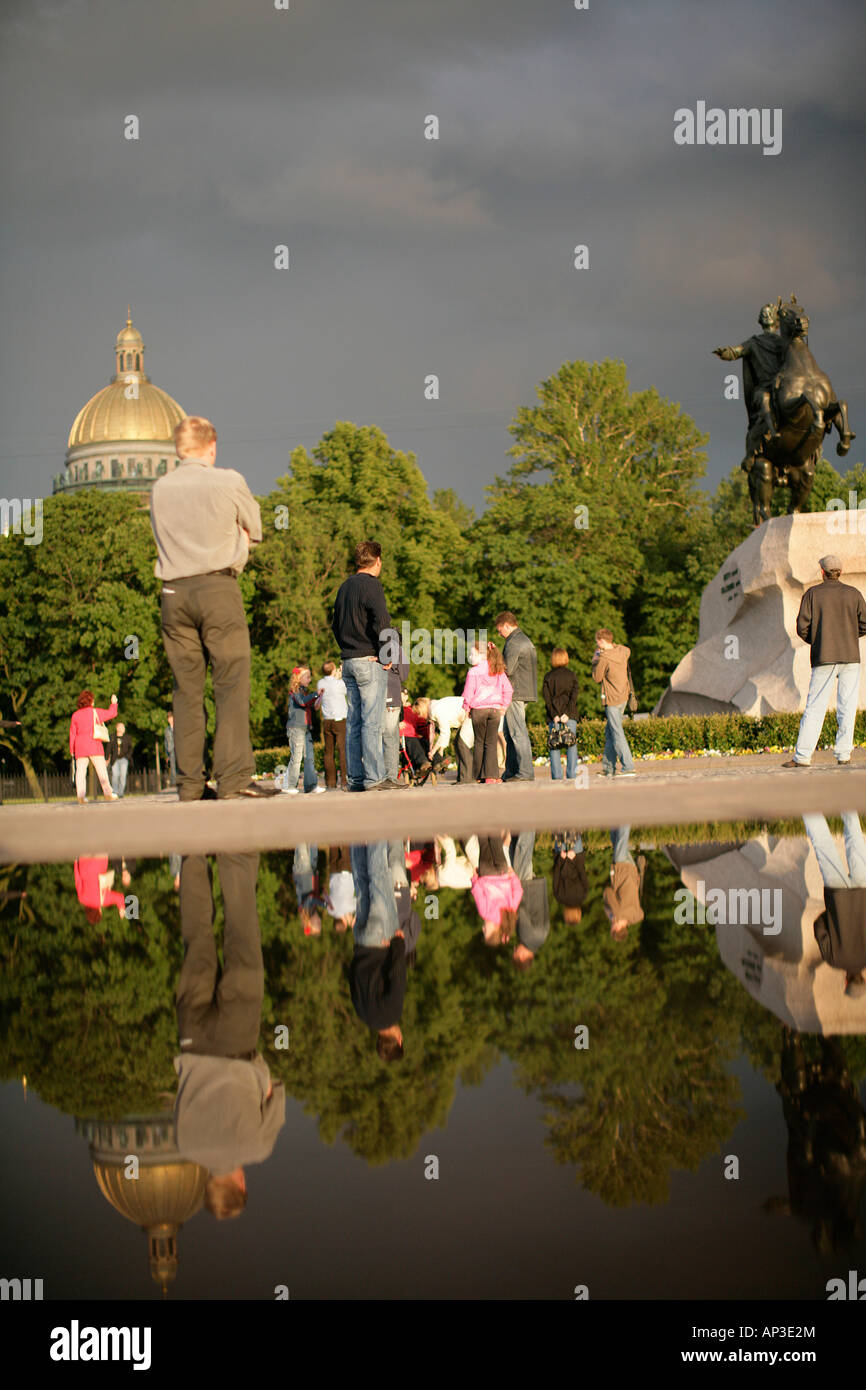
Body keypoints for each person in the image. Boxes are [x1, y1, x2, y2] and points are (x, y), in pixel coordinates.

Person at [150, 415, 275, 800]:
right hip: (219, 589)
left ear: (178, 448)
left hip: (173, 593)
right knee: (230, 683)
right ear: (212, 446)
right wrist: (237, 548)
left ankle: (189, 783)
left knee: (186, 690)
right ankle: (234, 778)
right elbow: (255, 530)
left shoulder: (159, 488)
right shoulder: (229, 481)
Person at [174, 852, 285, 1219]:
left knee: (241, 932)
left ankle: (234, 851)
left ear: (240, 1185)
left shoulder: (256, 1148)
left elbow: (277, 1092)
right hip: (192, 1039)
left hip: (238, 1041)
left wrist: (258, 1075)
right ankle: (191, 853)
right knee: (197, 937)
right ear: (208, 1184)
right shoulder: (185, 1144)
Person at [331, 540, 402, 792]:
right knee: (372, 722)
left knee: (354, 723)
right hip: (369, 661)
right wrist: (386, 655)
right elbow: (382, 620)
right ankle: (375, 779)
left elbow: (335, 624)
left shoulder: (344, 587)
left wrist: (347, 651)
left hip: (348, 660)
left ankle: (356, 779)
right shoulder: (372, 585)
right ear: (378, 561)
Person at [783, 555, 866, 769]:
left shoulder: (812, 594)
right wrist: (848, 636)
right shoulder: (854, 594)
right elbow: (865, 624)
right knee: (847, 707)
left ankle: (802, 757)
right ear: (840, 571)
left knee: (815, 707)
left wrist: (818, 640)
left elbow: (802, 627)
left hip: (824, 657)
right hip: (850, 656)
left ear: (822, 572)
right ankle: (844, 754)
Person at [349, 840, 421, 1061]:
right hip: (361, 942)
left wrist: (398, 944)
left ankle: (375, 829)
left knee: (379, 878)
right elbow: (352, 978)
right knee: (361, 884)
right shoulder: (363, 1015)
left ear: (399, 1039)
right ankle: (356, 837)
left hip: (382, 941)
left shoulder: (392, 1014)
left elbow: (397, 976)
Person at [803, 812, 866, 997]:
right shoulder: (834, 960)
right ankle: (808, 804)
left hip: (863, 890)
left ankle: (846, 798)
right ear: (846, 981)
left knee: (855, 841)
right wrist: (832, 915)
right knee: (823, 845)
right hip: (837, 896)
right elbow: (819, 928)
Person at [461, 640, 513, 783]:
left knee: (479, 742)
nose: (471, 656)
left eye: (473, 653)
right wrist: (504, 706)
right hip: (495, 710)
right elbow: (508, 690)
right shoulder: (498, 669)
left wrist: (467, 708)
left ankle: (479, 775)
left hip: (479, 710)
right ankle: (492, 775)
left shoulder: (473, 671)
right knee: (490, 742)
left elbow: (468, 693)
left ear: (481, 654)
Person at [494, 612, 537, 781]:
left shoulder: (514, 642)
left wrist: (495, 658)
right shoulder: (523, 639)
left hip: (515, 691)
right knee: (510, 732)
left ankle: (524, 772)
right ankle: (511, 771)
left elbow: (508, 669)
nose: (499, 634)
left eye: (499, 630)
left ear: (506, 625)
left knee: (517, 732)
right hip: (523, 690)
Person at [592, 629, 636, 778]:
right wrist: (611, 645)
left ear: (602, 641)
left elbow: (597, 678)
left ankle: (628, 766)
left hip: (611, 699)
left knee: (617, 733)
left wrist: (595, 660)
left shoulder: (604, 658)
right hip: (623, 697)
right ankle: (608, 768)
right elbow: (626, 648)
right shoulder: (622, 652)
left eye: (598, 642)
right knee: (610, 732)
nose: (597, 645)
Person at [470, 833, 523, 946]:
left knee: (496, 843)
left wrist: (513, 876)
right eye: (486, 931)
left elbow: (518, 892)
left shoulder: (509, 913)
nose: (483, 928)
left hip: (502, 872)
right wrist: (474, 879)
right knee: (484, 844)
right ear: (494, 929)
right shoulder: (485, 913)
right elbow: (478, 893)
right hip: (486, 873)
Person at [69, 690, 118, 803]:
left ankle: (81, 796)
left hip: (80, 747)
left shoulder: (75, 715)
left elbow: (72, 734)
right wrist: (114, 703)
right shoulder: (94, 712)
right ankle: (108, 793)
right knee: (102, 772)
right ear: (91, 701)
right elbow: (112, 713)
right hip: (94, 745)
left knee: (80, 772)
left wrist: (72, 750)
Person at [282, 666, 324, 795]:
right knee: (297, 758)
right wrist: (315, 693)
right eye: (307, 677)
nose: (310, 680)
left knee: (309, 758)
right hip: (296, 729)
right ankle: (290, 785)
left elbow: (311, 706)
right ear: (299, 678)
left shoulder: (305, 691)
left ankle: (310, 785)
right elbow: (302, 702)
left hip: (305, 728)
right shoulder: (295, 691)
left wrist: (319, 698)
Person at [542, 647, 580, 780]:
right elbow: (574, 697)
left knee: (554, 746)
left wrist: (555, 715)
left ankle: (557, 776)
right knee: (571, 745)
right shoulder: (572, 675)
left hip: (555, 717)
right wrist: (567, 713)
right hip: (570, 716)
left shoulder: (548, 677)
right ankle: (572, 775)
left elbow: (547, 699)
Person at [603, 825, 645, 941]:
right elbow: (607, 892)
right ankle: (626, 811)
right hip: (621, 870)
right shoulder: (617, 913)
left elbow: (641, 915)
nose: (611, 925)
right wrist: (611, 914)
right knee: (622, 836)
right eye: (612, 928)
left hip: (632, 871)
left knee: (617, 841)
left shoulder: (636, 916)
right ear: (616, 928)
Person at [317, 660, 349, 790]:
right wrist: (340, 676)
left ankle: (330, 782)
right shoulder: (339, 683)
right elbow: (347, 691)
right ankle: (344, 780)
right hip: (340, 719)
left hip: (327, 720)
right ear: (333, 670)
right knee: (342, 750)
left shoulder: (320, 683)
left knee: (328, 752)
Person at [382, 650, 409, 785]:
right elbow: (403, 675)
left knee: (374, 736)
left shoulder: (373, 643)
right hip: (392, 695)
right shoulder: (398, 650)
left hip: (374, 697)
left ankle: (374, 776)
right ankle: (390, 777)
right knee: (391, 738)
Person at [552, 831, 589, 924]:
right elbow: (556, 874)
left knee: (575, 829)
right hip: (562, 858)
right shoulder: (559, 897)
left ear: (578, 913)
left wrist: (575, 859)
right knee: (558, 830)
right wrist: (561, 859)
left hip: (576, 856)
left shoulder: (583, 895)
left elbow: (582, 873)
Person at [400, 696, 433, 778]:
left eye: (404, 695)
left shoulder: (412, 710)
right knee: (412, 741)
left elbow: (420, 724)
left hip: (414, 737)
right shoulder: (393, 710)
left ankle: (438, 761)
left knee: (424, 742)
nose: (403, 697)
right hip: (402, 737)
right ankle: (423, 763)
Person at [108, 720, 133, 798]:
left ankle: (121, 792)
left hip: (124, 759)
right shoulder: (112, 737)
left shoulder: (127, 737)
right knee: (115, 775)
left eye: (124, 727)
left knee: (123, 776)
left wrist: (127, 757)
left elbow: (130, 748)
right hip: (114, 759)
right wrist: (107, 758)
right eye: (121, 727)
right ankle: (115, 792)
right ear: (117, 728)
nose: (123, 728)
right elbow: (108, 748)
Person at [164, 712, 177, 786]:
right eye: (169, 718)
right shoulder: (166, 730)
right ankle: (174, 783)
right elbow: (166, 743)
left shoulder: (178, 727)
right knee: (172, 768)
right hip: (171, 750)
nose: (170, 720)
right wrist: (167, 755)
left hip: (179, 750)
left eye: (171, 718)